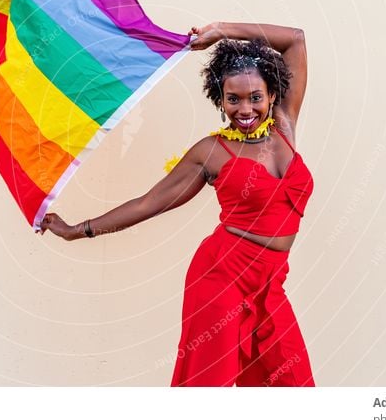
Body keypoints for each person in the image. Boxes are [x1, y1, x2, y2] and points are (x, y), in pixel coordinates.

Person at [39, 21, 315, 387]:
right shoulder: (211, 152)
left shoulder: (284, 126)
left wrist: (220, 31)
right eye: (232, 99)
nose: (245, 109)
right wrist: (78, 230)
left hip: (270, 280)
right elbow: (149, 203)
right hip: (222, 277)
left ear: (272, 95)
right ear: (220, 99)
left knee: (292, 384)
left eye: (254, 97)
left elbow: (294, 40)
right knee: (207, 385)